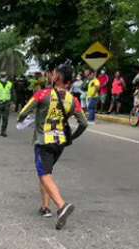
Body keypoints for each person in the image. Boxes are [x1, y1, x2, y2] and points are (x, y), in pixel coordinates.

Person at [17, 63, 87, 230]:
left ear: (57, 77)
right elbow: (83, 123)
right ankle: (45, 207)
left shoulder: (42, 94)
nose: (51, 75)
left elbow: (22, 113)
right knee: (45, 172)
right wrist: (72, 137)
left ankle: (61, 206)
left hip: (44, 142)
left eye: (53, 73)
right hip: (59, 144)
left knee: (44, 173)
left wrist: (29, 120)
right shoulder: (73, 100)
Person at [0, 72, 14, 137]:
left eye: (4, 76)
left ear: (6, 76)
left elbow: (12, 93)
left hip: (7, 103)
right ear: (0, 76)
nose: (3, 77)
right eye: (2, 76)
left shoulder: (10, 84)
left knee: (5, 118)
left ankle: (3, 131)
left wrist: (13, 102)